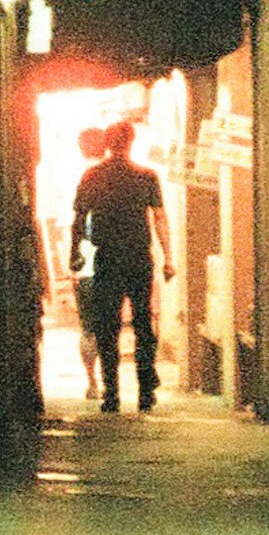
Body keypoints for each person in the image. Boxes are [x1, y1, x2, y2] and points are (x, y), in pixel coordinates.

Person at [71, 121, 167, 412]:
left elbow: (78, 218)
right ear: (131, 141)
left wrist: (74, 253)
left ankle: (111, 392)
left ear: (108, 142)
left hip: (108, 258)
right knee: (142, 323)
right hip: (138, 257)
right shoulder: (146, 176)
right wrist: (169, 256)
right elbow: (160, 218)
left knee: (107, 326)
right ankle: (146, 388)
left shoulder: (93, 175)